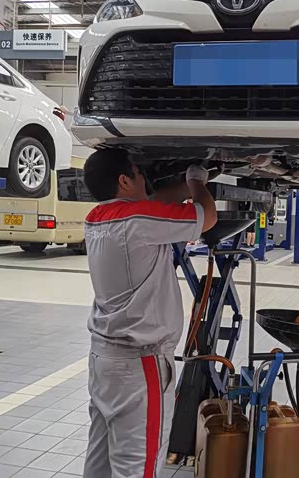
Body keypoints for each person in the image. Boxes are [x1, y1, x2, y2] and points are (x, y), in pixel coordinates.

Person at [81, 149, 217, 478]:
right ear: (124, 180)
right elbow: (206, 217)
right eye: (139, 173)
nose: (145, 179)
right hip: (139, 366)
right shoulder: (139, 220)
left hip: (104, 361)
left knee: (100, 461)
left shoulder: (95, 218)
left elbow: (156, 202)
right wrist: (198, 182)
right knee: (137, 466)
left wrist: (185, 184)